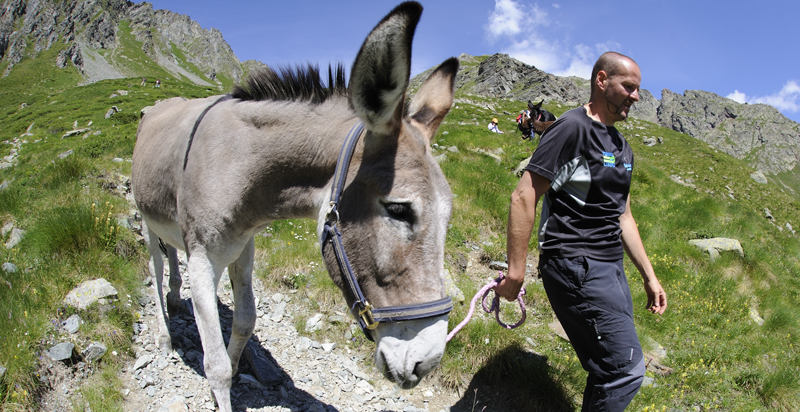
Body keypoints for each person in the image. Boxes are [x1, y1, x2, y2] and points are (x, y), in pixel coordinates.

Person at [496, 51, 667, 411]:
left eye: (639, 90)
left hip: (610, 269)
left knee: (609, 366)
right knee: (625, 369)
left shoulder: (623, 148)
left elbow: (624, 216)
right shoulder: (571, 128)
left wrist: (649, 277)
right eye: (629, 87)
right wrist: (516, 271)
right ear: (602, 81)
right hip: (574, 263)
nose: (636, 96)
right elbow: (525, 195)